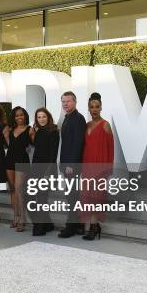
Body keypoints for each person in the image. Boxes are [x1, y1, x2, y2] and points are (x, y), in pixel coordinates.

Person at [80, 93, 114, 241]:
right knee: (87, 197)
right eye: (91, 107)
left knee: (96, 198)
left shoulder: (105, 124)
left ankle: (93, 227)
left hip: (99, 168)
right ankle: (93, 226)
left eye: (97, 107)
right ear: (88, 108)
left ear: (101, 108)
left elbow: (111, 148)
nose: (94, 109)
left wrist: (108, 169)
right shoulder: (86, 125)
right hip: (87, 167)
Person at [58, 91, 87, 238]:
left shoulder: (78, 118)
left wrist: (70, 164)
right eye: (63, 101)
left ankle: (71, 227)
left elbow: (78, 143)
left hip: (72, 165)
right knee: (71, 195)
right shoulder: (68, 117)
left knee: (72, 196)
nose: (65, 104)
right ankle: (77, 226)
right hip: (67, 164)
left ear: (75, 102)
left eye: (68, 101)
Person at [29, 107, 59, 236]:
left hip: (47, 170)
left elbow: (52, 155)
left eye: (44, 116)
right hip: (36, 168)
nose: (41, 119)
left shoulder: (53, 132)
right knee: (40, 198)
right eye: (39, 117)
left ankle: (40, 227)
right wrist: (32, 135)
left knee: (41, 198)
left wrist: (47, 174)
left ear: (48, 117)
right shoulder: (39, 131)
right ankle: (48, 224)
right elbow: (37, 148)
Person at [4, 106, 30, 232]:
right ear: (14, 118)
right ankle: (15, 216)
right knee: (13, 189)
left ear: (25, 116)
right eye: (17, 115)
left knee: (19, 189)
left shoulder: (30, 130)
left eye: (21, 115)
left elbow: (38, 145)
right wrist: (6, 136)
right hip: (9, 159)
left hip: (22, 161)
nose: (19, 117)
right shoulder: (11, 129)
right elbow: (11, 145)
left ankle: (23, 218)